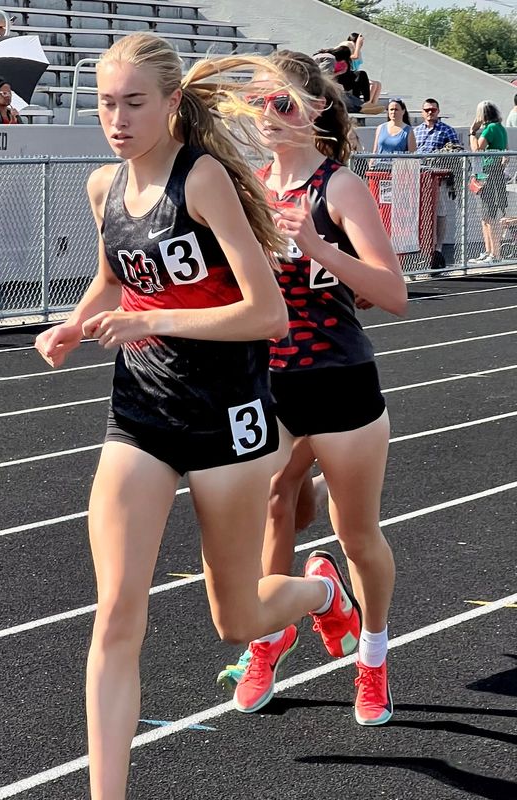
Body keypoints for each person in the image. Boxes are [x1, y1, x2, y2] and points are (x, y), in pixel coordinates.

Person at [34, 33, 363, 799]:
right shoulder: (102, 188)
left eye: (133, 103)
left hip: (230, 421)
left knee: (237, 619)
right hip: (141, 415)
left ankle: (320, 590)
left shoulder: (204, 179)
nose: (116, 119)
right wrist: (77, 326)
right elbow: (117, 279)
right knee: (115, 615)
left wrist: (160, 322)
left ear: (172, 104)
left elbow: (269, 314)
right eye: (105, 104)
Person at [218, 50, 407, 727]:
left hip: (340, 382)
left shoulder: (339, 188)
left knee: (354, 535)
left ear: (318, 109)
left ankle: (374, 658)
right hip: (269, 382)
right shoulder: (250, 189)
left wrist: (321, 248)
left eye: (284, 102)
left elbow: (394, 295)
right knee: (270, 508)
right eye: (261, 102)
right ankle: (278, 632)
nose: (269, 115)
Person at [414, 98, 461, 270]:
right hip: (418, 177)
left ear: (438, 112)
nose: (430, 113)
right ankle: (421, 248)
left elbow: (456, 152)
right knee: (419, 214)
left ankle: (438, 249)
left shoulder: (446, 131)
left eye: (433, 110)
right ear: (422, 112)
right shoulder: (416, 131)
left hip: (438, 180)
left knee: (439, 212)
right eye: (426, 110)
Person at [468, 101, 508, 264]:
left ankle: (494, 253)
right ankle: (489, 250)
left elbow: (478, 149)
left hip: (489, 173)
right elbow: (505, 148)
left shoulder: (490, 129)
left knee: (489, 215)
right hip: (493, 172)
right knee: (486, 215)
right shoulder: (500, 128)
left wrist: (472, 132)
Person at [343, 33, 381, 105]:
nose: (361, 44)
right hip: (349, 78)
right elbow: (354, 57)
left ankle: (373, 104)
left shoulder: (358, 52)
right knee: (373, 84)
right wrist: (357, 46)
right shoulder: (347, 51)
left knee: (378, 84)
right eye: (360, 42)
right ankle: (367, 103)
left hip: (356, 76)